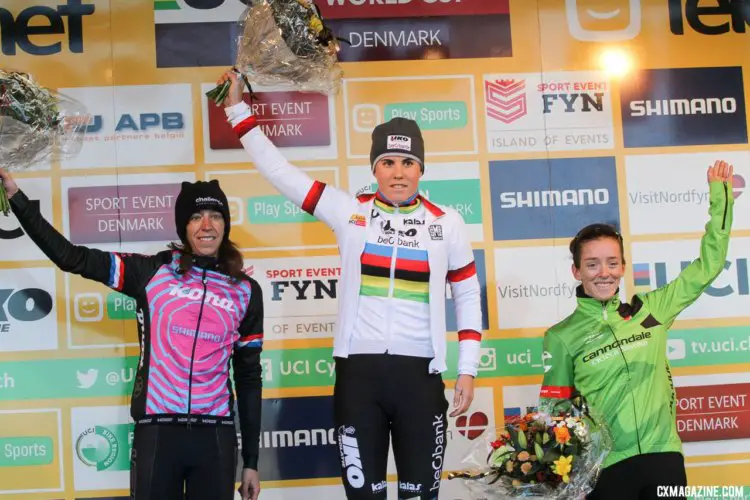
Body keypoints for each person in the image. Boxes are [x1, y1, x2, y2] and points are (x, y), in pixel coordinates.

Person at [217, 70, 483, 500]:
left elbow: (468, 295)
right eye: (388, 163)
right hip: (359, 376)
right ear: (375, 167)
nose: (399, 173)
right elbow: (281, 172)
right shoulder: (349, 212)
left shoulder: (446, 222)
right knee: (365, 497)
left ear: (421, 168)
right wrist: (236, 109)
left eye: (408, 163)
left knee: (420, 497)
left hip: (420, 377)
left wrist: (467, 368)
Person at [0, 171, 263, 500]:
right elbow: (71, 257)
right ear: (184, 226)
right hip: (157, 434)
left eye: (215, 216)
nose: (206, 225)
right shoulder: (151, 272)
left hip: (216, 439)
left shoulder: (246, 291)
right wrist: (16, 198)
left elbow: (249, 377)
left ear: (225, 225)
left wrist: (251, 461)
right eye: (196, 217)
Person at [538, 160, 734, 499]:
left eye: (612, 263)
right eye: (592, 264)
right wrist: (557, 471)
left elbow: (708, 266)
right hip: (607, 469)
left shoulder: (652, 310)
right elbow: (554, 412)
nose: (604, 273)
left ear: (623, 266)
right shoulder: (561, 336)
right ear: (576, 271)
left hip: (665, 459)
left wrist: (720, 197)